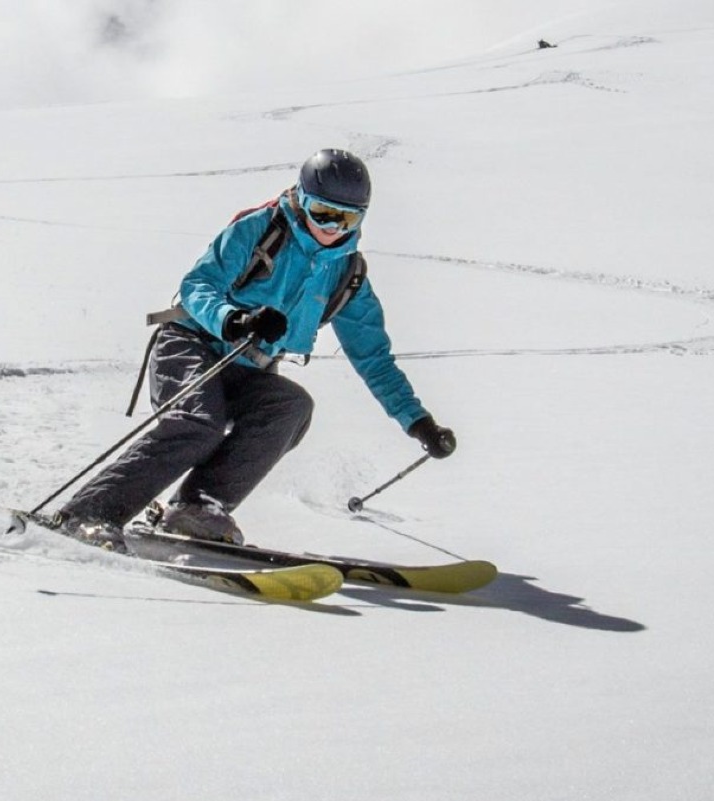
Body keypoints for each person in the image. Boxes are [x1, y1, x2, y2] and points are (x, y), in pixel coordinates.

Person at [55, 148, 455, 548]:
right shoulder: (260, 229)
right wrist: (235, 319)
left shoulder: (348, 276)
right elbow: (198, 285)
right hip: (190, 344)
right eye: (322, 213)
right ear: (302, 199)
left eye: (346, 218)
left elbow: (374, 361)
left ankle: (198, 508)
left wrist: (418, 422)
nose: (332, 227)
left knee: (291, 407)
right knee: (199, 422)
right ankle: (89, 512)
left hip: (249, 368)